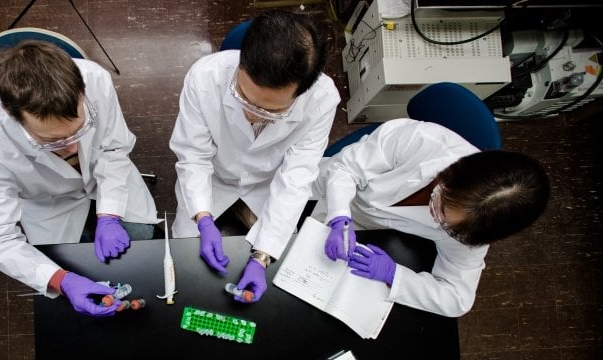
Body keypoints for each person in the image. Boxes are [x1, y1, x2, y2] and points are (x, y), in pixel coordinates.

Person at [0, 40, 159, 317]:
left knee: (141, 236)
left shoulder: (95, 79)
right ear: (11, 114)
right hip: (48, 204)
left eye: (80, 131)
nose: (71, 148)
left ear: (81, 90)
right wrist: (60, 280)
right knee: (73, 265)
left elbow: (114, 148)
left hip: (104, 179)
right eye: (52, 140)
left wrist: (109, 215)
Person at [170, 10, 339, 303]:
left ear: (303, 91)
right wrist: (202, 217)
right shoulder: (205, 76)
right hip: (213, 177)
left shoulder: (322, 100)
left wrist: (261, 257)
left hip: (266, 184)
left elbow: (296, 178)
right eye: (242, 98)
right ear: (242, 60)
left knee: (284, 259)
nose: (251, 114)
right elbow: (193, 156)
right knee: (185, 255)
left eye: (270, 111)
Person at [311, 118, 550, 316]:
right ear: (450, 174)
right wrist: (340, 215)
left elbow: (457, 299)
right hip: (330, 189)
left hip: (373, 229)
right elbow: (343, 170)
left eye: (446, 226)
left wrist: (395, 275)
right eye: (440, 203)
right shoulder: (421, 141)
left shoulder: (476, 228)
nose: (434, 218)